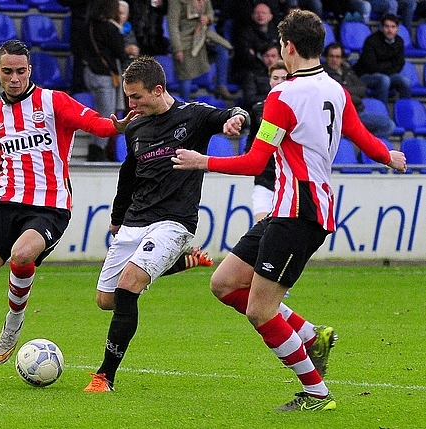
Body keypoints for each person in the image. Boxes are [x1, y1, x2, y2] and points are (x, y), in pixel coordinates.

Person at [172, 10, 407, 411]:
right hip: (290, 210)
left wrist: (201, 161)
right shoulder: (335, 88)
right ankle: (312, 336)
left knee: (260, 310)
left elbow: (252, 162)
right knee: (223, 283)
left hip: (300, 212)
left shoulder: (282, 97)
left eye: (281, 44)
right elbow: (358, 132)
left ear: (289, 47)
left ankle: (316, 393)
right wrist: (389, 156)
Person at [0, 39, 139, 384]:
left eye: (20, 71)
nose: (14, 78)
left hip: (50, 205)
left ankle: (14, 318)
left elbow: (94, 124)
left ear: (30, 71)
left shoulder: (53, 102)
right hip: (5, 203)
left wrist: (117, 126)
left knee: (22, 255)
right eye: (7, 71)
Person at [83, 55, 251, 392]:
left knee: (128, 287)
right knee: (106, 300)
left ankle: (104, 376)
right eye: (128, 97)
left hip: (174, 221)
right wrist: (118, 219)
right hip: (134, 221)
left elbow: (233, 113)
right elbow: (128, 176)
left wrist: (237, 120)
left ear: (158, 90)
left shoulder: (193, 116)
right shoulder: (136, 127)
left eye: (137, 97)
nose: (131, 104)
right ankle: (182, 262)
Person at [81, 0, 127, 162]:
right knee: (107, 116)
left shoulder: (88, 26)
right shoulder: (111, 28)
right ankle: (98, 150)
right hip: (105, 76)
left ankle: (95, 148)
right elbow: (121, 52)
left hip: (90, 72)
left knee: (99, 114)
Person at [323, 42, 396, 139]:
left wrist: (345, 91)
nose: (334, 60)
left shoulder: (347, 71)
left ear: (342, 58)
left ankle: (367, 149)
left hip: (358, 112)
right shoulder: (324, 75)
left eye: (337, 57)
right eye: (331, 56)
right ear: (326, 57)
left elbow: (362, 89)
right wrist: (351, 93)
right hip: (342, 116)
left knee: (389, 125)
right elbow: (336, 95)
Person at [246, 61, 287, 222]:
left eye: (284, 78)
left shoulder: (299, 109)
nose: (279, 82)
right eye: (275, 78)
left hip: (288, 181)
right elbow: (252, 139)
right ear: (270, 80)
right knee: (261, 228)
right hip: (264, 179)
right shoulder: (258, 110)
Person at [168, 0, 234, 101]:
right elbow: (172, 25)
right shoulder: (176, 1)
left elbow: (210, 13)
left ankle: (221, 85)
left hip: (204, 35)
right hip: (185, 38)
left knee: (222, 49)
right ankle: (183, 104)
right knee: (185, 74)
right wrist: (178, 48)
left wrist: (207, 19)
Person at [352, 14, 411, 104]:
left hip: (388, 75)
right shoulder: (371, 40)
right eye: (387, 26)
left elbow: (399, 64)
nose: (390, 30)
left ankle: (406, 111)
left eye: (393, 27)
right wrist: (390, 64)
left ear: (397, 29)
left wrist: (387, 67)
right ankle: (382, 112)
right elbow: (371, 67)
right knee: (384, 80)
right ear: (382, 28)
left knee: (405, 81)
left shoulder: (399, 41)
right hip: (365, 75)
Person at [231, 2, 281, 86]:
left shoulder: (277, 33)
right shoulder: (245, 33)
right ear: (252, 16)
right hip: (251, 71)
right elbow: (246, 57)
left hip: (274, 70)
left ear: (270, 17)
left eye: (264, 13)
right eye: (257, 13)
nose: (260, 15)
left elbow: (281, 54)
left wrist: (258, 53)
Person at [240, 43, 281, 112]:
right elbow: (250, 99)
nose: (270, 59)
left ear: (279, 57)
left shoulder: (286, 73)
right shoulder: (252, 74)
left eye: (273, 56)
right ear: (261, 57)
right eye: (267, 56)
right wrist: (273, 97)